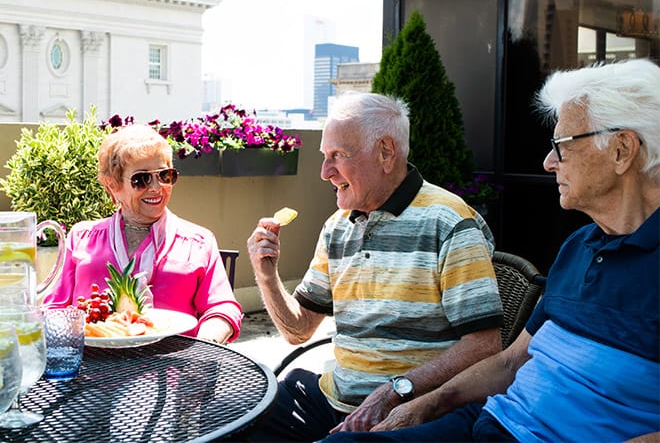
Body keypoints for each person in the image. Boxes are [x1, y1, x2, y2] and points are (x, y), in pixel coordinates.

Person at [322, 58, 660, 442]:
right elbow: (512, 360)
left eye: (561, 146)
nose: (549, 163)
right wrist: (424, 404)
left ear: (622, 150)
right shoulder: (579, 247)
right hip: (486, 423)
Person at [246, 92, 503, 441]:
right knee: (243, 415)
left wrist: (397, 391)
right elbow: (298, 331)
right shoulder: (338, 227)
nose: (324, 172)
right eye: (325, 157)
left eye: (338, 156)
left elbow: (484, 345)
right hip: (336, 399)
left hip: (414, 411)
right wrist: (266, 275)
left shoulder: (449, 222)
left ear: (385, 152)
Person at [43, 124, 242, 344]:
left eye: (165, 175)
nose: (157, 187)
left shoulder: (199, 242)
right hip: (93, 368)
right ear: (113, 185)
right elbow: (54, 308)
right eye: (142, 179)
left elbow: (222, 308)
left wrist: (207, 341)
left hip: (172, 370)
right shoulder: (81, 237)